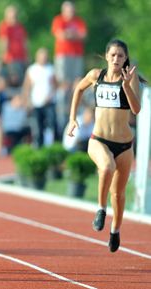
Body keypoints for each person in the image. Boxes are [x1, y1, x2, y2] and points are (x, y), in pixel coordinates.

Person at [67, 39, 143, 253]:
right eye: (113, 55)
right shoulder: (95, 76)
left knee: (118, 194)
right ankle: (100, 209)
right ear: (106, 56)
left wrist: (127, 86)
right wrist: (72, 118)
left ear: (125, 58)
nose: (116, 59)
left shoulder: (130, 78)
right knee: (106, 167)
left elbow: (136, 109)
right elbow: (78, 90)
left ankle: (115, 230)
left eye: (121, 56)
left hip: (125, 145)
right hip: (98, 139)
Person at [51, 0, 87, 133]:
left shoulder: (79, 21)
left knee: (77, 83)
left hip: (76, 55)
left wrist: (69, 34)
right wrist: (73, 35)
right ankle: (62, 117)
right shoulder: (58, 20)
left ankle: (75, 111)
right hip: (63, 55)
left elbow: (83, 35)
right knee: (63, 84)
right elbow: (60, 35)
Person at [22, 47, 58, 147]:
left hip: (49, 102)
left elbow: (55, 86)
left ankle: (51, 145)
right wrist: (27, 101)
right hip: (36, 103)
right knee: (38, 127)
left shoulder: (51, 69)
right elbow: (27, 87)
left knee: (51, 125)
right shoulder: (32, 70)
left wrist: (50, 96)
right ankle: (39, 146)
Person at [0, 5, 28, 87]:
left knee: (21, 82)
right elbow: (4, 42)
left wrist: (26, 57)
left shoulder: (20, 27)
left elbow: (25, 43)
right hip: (11, 59)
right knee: (12, 82)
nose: (14, 17)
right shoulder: (5, 26)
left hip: (21, 59)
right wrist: (2, 56)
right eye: (12, 16)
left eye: (15, 15)